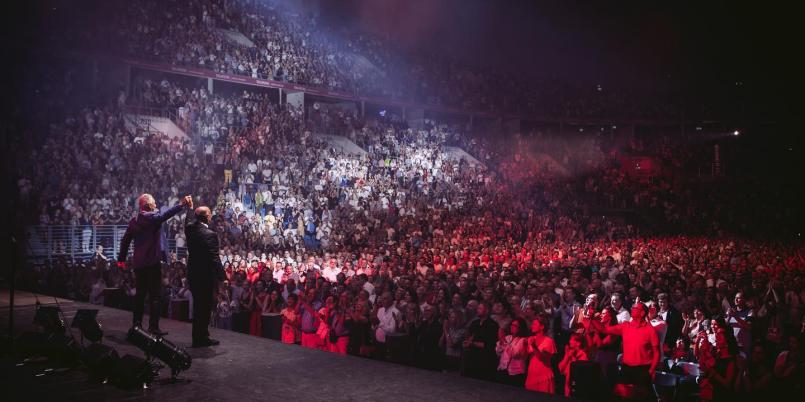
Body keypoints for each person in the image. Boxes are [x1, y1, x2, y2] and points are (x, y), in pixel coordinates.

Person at [117, 193, 191, 335]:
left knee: (140, 296)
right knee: (155, 296)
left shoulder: (134, 221)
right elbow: (166, 215)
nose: (156, 205)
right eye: (154, 202)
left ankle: (136, 326)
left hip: (139, 264)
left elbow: (125, 241)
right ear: (148, 205)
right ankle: (153, 327)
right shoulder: (153, 218)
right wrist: (181, 205)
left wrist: (121, 260)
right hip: (152, 262)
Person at [585, 301, 660, 392]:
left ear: (642, 313)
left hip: (643, 370)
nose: (632, 309)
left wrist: (651, 370)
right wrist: (592, 318)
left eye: (635, 308)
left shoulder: (650, 330)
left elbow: (657, 353)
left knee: (641, 396)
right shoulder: (625, 326)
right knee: (623, 395)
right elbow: (604, 329)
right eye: (632, 307)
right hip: (627, 368)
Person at [185, 203, 226, 347]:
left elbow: (188, 220)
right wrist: (223, 278)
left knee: (198, 307)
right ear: (207, 217)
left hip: (193, 274)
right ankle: (201, 338)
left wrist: (189, 208)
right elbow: (215, 258)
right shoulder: (210, 235)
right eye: (210, 214)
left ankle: (199, 336)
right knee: (205, 307)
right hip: (205, 276)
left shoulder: (189, 229)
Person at [525, 313, 556, 394]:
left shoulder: (549, 341)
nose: (532, 326)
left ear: (542, 327)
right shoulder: (531, 339)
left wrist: (534, 346)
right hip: (532, 374)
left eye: (535, 324)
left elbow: (542, 358)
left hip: (543, 377)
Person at [495, 316, 530, 386]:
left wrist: (503, 341)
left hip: (516, 373)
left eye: (515, 326)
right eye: (512, 325)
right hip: (503, 370)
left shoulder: (523, 340)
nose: (512, 327)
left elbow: (515, 354)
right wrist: (501, 342)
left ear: (520, 328)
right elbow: (498, 353)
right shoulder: (508, 337)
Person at [559, 333, 589, 397]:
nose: (569, 341)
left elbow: (580, 372)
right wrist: (567, 356)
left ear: (578, 343)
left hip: (577, 388)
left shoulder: (583, 355)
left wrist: (573, 357)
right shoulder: (569, 353)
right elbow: (560, 368)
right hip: (567, 388)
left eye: (571, 340)